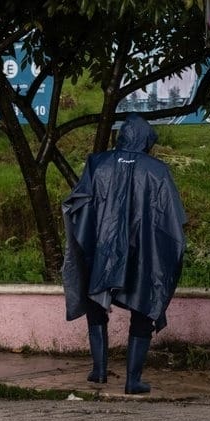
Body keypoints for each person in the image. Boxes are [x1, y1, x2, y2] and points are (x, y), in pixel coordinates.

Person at [61, 114, 187, 394]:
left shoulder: (97, 163)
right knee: (144, 305)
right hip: (143, 252)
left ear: (122, 137)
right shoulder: (157, 171)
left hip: (101, 248)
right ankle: (133, 380)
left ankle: (100, 371)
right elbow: (171, 221)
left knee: (96, 302)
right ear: (147, 141)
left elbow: (78, 204)